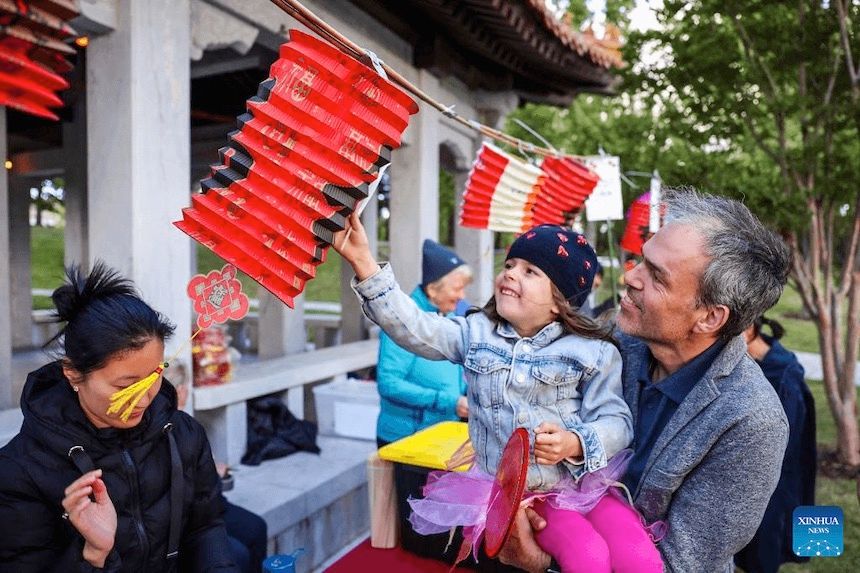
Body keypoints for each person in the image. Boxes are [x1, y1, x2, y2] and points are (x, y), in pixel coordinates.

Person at [335, 221, 662, 573]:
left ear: (559, 301)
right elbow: (415, 327)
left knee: (638, 555)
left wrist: (574, 442)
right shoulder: (475, 333)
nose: (510, 274)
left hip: (584, 483)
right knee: (588, 556)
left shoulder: (593, 352)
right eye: (509, 265)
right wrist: (365, 263)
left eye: (530, 270)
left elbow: (617, 422)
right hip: (527, 497)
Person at [498, 188, 792, 573]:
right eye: (641, 259)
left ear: (709, 317)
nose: (630, 276)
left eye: (657, 276)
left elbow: (679, 565)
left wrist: (544, 561)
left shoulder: (751, 423)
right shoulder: (611, 340)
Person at [0, 262, 239, 572]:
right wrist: (94, 556)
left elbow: (205, 526)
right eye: (125, 386)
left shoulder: (182, 434)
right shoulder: (20, 472)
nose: (144, 398)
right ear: (73, 374)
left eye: (153, 376)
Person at [735, 316, 816, 573]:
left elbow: (777, 449)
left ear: (748, 331)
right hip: (761, 482)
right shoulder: (760, 363)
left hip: (774, 483)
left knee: (764, 551)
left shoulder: (783, 380)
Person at [375, 239, 472, 447]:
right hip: (405, 439)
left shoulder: (449, 316)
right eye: (457, 288)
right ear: (433, 289)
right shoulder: (402, 322)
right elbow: (389, 383)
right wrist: (449, 401)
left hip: (441, 433)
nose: (462, 296)